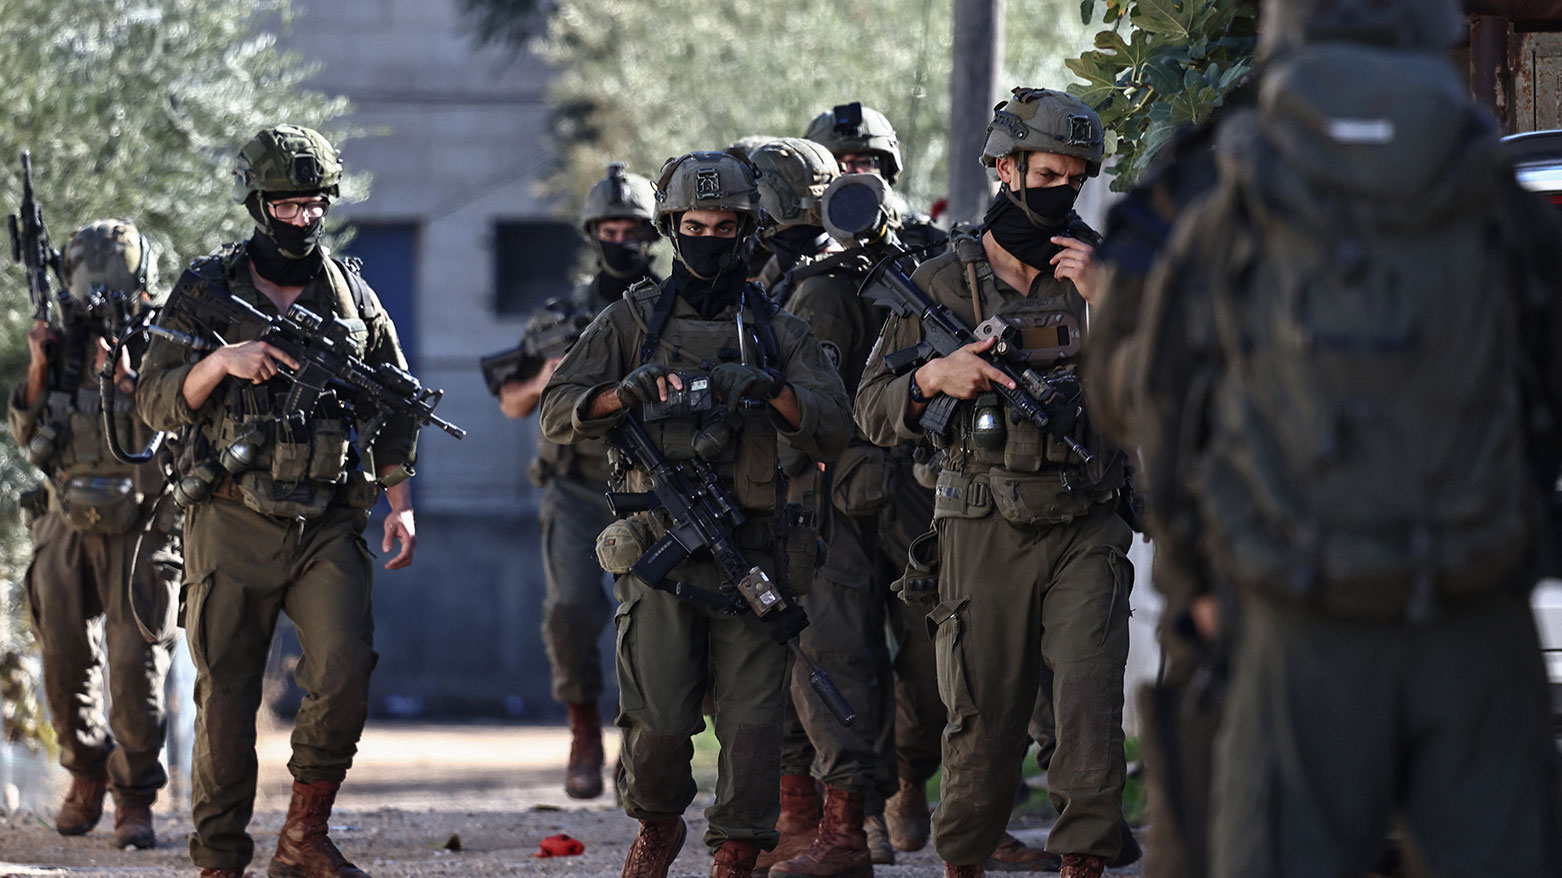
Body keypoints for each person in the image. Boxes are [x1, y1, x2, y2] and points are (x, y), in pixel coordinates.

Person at [1100, 1, 1562, 874]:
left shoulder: (1225, 176)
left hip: (1295, 618)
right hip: (1474, 615)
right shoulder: (1486, 181)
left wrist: (1196, 574)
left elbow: (1146, 390)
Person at [539, 149, 853, 878]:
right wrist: (625, 395)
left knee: (752, 728)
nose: (708, 238)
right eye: (694, 224)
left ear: (747, 231)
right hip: (660, 549)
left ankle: (737, 852)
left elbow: (835, 424)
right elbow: (559, 409)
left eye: (724, 225)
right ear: (671, 228)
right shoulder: (631, 320)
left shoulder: (779, 330)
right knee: (657, 725)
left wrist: (770, 392)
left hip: (756, 551)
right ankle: (656, 826)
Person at [855, 88, 1139, 878]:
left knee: (1087, 702)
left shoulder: (1108, 272)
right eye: (1049, 173)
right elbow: (873, 409)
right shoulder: (942, 283)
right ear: (1005, 168)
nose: (1062, 192)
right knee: (982, 716)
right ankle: (965, 859)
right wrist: (935, 378)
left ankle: (1084, 857)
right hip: (980, 525)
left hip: (1085, 518)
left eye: (1077, 180)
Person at [136, 124, 419, 878]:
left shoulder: (352, 292)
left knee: (345, 667)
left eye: (315, 204)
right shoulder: (205, 289)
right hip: (229, 516)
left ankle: (304, 835)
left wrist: (401, 500)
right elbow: (155, 402)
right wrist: (222, 362)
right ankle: (220, 859)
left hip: (327, 517)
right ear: (257, 203)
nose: (303, 218)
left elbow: (394, 403)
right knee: (226, 698)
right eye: (288, 205)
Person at [9, 219, 178, 850]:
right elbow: (31, 438)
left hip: (140, 525)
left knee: (137, 669)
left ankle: (135, 797)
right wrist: (40, 362)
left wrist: (134, 385)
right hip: (65, 523)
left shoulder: (166, 339)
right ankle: (85, 775)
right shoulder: (65, 340)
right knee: (62, 662)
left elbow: (184, 429)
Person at [493, 162, 660, 799]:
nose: (622, 240)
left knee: (648, 620)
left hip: (651, 481)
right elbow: (511, 400)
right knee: (570, 612)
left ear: (652, 235)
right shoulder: (558, 316)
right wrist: (548, 378)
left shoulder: (673, 306)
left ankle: (640, 748)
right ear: (594, 234)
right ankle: (583, 730)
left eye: (634, 230)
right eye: (610, 228)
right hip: (574, 484)